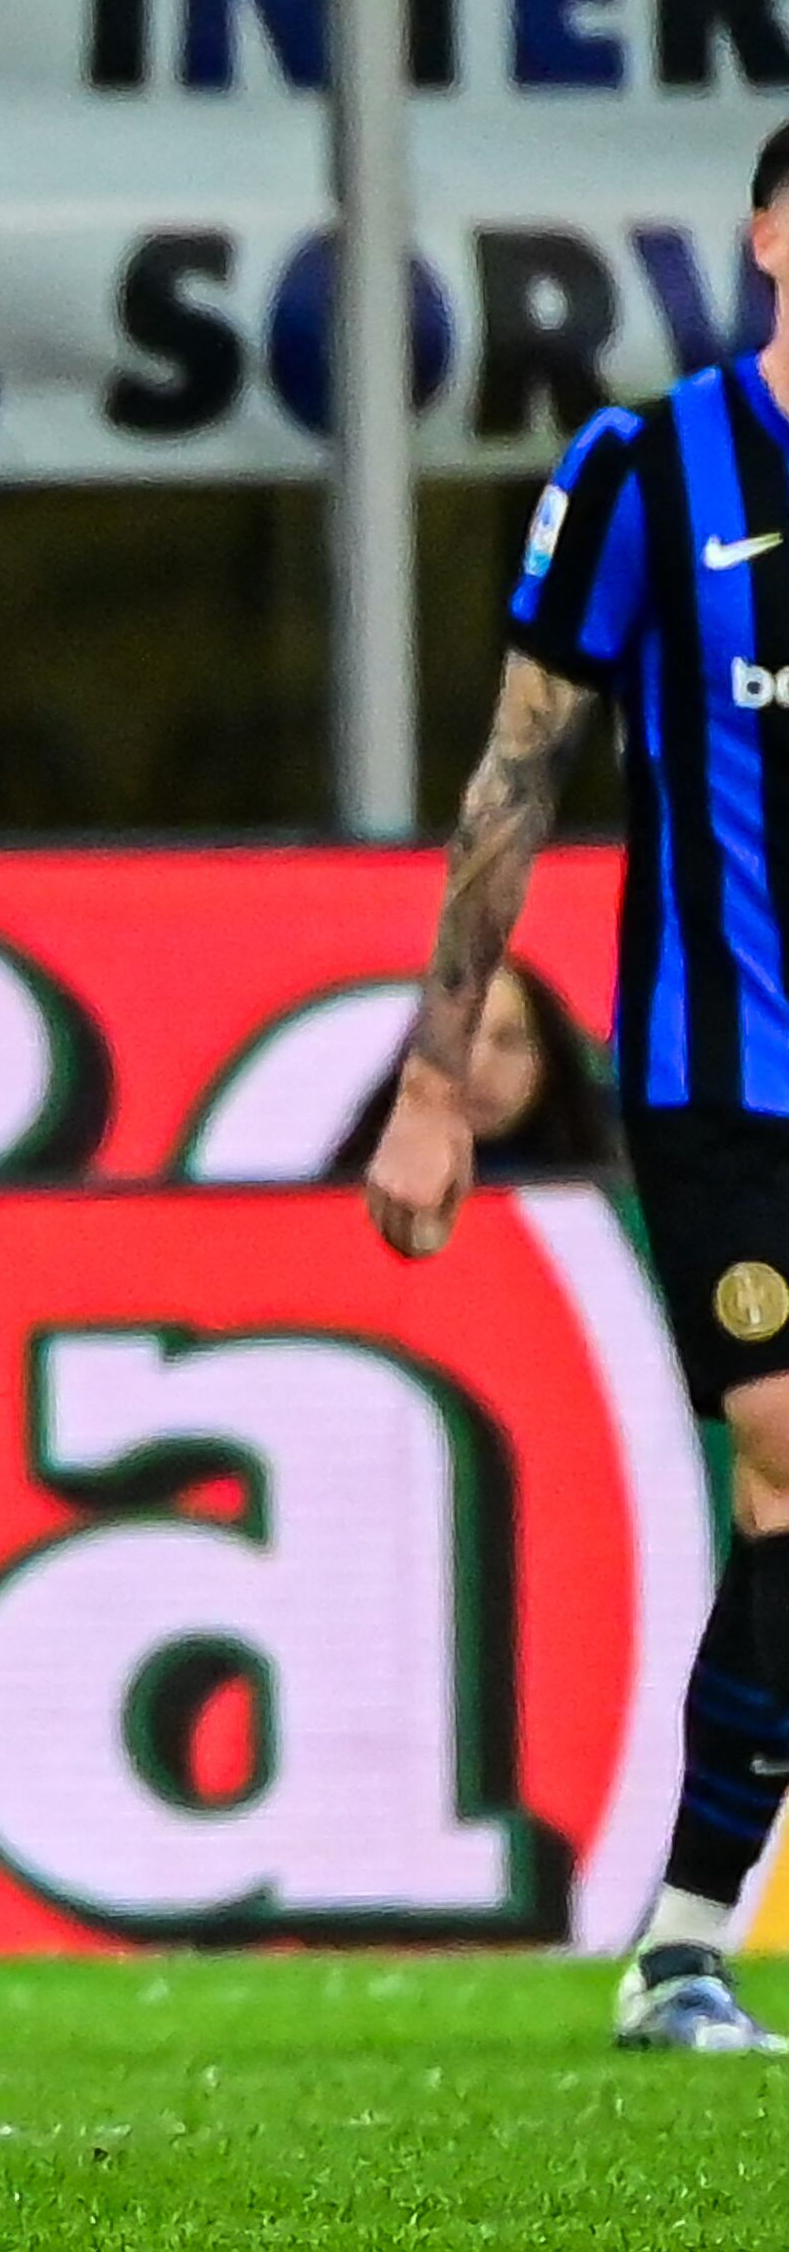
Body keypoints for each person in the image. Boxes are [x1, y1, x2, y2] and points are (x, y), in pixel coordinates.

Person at [370, 117, 789, 2055]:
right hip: (729, 1074)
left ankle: (683, 1940)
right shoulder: (641, 469)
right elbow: (514, 771)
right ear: (766, 238)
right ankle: (684, 1943)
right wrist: (435, 1076)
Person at [326, 961, 618, 1182]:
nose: (477, 1065)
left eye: (508, 1041)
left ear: (548, 1060)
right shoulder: (364, 1175)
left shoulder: (620, 1177)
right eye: (457, 1038)